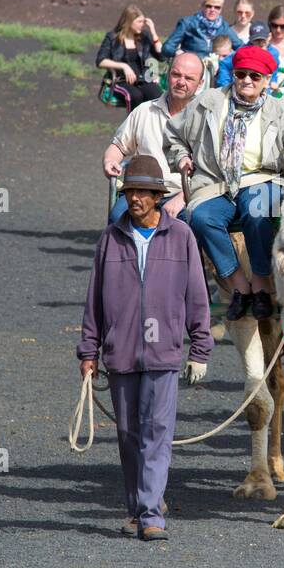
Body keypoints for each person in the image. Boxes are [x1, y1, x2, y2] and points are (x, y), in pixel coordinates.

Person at [78, 154, 212, 543]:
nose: (134, 198)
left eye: (143, 192)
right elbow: (94, 302)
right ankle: (138, 509)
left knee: (157, 433)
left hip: (163, 354)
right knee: (128, 436)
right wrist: (89, 351)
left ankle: (152, 514)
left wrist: (200, 348)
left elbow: (197, 296)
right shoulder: (110, 239)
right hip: (120, 354)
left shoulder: (182, 236)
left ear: (157, 197)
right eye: (131, 191)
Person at [165, 45, 284, 321]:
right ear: (234, 75)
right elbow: (174, 135)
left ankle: (262, 285)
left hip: (263, 176)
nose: (247, 80)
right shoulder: (209, 102)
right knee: (201, 216)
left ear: (266, 81)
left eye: (255, 76)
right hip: (216, 181)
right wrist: (181, 158)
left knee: (256, 210)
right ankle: (240, 286)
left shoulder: (278, 110)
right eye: (242, 74)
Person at [102, 51, 204, 223]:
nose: (181, 82)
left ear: (200, 84)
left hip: (185, 193)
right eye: (176, 75)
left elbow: (211, 173)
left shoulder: (205, 118)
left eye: (189, 78)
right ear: (167, 75)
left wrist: (182, 198)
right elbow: (118, 146)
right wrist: (109, 161)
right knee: (118, 218)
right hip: (142, 189)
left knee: (193, 222)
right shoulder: (144, 111)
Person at [95, 4, 165, 108]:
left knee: (157, 96)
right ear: (129, 22)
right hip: (121, 80)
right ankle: (133, 123)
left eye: (143, 22)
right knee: (135, 96)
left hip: (143, 78)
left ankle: (153, 122)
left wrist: (153, 32)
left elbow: (161, 56)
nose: (142, 25)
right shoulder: (113, 37)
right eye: (139, 22)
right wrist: (124, 66)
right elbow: (100, 61)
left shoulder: (144, 36)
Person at [162, 0, 244, 59]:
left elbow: (241, 48)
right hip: (191, 68)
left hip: (215, 71)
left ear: (221, 9)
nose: (212, 10)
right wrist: (178, 53)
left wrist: (230, 56)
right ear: (202, 6)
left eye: (217, 7)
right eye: (209, 6)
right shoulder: (187, 23)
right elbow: (167, 48)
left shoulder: (223, 27)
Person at [217, 20, 279, 88]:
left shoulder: (273, 54)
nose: (259, 43)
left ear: (269, 36)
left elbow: (274, 71)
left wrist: (273, 81)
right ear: (250, 39)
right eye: (256, 40)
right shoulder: (243, 52)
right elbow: (224, 64)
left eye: (262, 40)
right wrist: (225, 85)